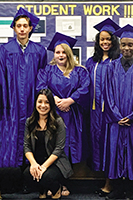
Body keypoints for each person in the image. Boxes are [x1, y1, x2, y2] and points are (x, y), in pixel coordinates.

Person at [36, 32, 90, 195]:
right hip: (52, 114)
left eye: (63, 52)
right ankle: (53, 184)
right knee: (52, 147)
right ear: (54, 54)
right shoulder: (47, 70)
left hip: (72, 115)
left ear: (69, 53)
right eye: (57, 52)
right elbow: (41, 86)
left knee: (68, 148)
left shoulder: (80, 71)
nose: (60, 55)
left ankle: (64, 184)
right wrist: (56, 99)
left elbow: (85, 88)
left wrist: (70, 100)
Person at [103, 24, 133, 199]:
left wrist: (132, 116)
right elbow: (107, 94)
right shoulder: (110, 67)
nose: (126, 48)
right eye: (123, 44)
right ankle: (117, 189)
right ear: (119, 45)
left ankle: (131, 189)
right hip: (116, 120)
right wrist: (116, 116)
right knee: (115, 152)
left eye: (130, 44)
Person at [0, 7, 47, 167]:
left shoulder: (39, 51)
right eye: (18, 26)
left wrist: (39, 102)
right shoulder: (5, 50)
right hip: (10, 103)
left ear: (30, 28)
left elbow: (42, 78)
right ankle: (12, 178)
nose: (21, 29)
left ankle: (30, 176)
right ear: (13, 28)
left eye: (24, 26)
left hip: (31, 101)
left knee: (31, 135)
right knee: (10, 137)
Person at [85, 18, 120, 197]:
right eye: (102, 39)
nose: (105, 42)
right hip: (94, 112)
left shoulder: (119, 60)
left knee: (110, 145)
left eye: (108, 39)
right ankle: (103, 179)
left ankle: (110, 183)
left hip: (111, 112)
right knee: (97, 144)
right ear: (98, 42)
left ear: (114, 41)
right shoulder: (92, 62)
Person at [23, 89, 73, 199]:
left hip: (55, 163)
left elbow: (59, 148)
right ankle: (42, 192)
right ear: (35, 103)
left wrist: (44, 167)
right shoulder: (29, 122)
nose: (43, 105)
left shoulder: (58, 122)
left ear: (51, 104)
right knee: (28, 174)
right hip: (37, 161)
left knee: (47, 176)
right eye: (40, 102)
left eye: (47, 102)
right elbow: (27, 146)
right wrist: (34, 164)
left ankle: (56, 190)